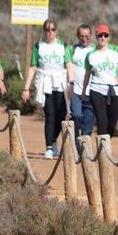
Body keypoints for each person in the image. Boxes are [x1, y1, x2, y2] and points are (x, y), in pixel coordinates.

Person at [80, 24, 118, 138]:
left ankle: (105, 146)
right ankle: (103, 152)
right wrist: (84, 92)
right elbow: (87, 74)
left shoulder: (116, 51)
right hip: (96, 89)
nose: (102, 38)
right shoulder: (91, 55)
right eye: (100, 35)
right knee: (102, 122)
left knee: (111, 124)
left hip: (115, 90)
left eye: (105, 35)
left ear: (109, 37)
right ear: (96, 37)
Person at [21, 19, 68, 159]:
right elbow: (33, 67)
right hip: (45, 82)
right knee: (50, 114)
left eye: (53, 29)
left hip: (60, 83)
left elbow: (69, 65)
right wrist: (26, 89)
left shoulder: (63, 46)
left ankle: (53, 141)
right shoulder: (38, 46)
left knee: (62, 115)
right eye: (47, 29)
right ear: (44, 31)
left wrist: (71, 83)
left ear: (56, 31)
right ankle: (48, 148)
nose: (50, 32)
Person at [65, 24, 96, 142]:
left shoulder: (95, 50)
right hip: (76, 91)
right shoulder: (71, 50)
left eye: (87, 36)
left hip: (91, 92)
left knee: (88, 125)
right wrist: (71, 83)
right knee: (76, 116)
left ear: (91, 36)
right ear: (78, 36)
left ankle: (84, 150)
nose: (84, 39)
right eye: (82, 36)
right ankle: (75, 145)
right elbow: (68, 67)